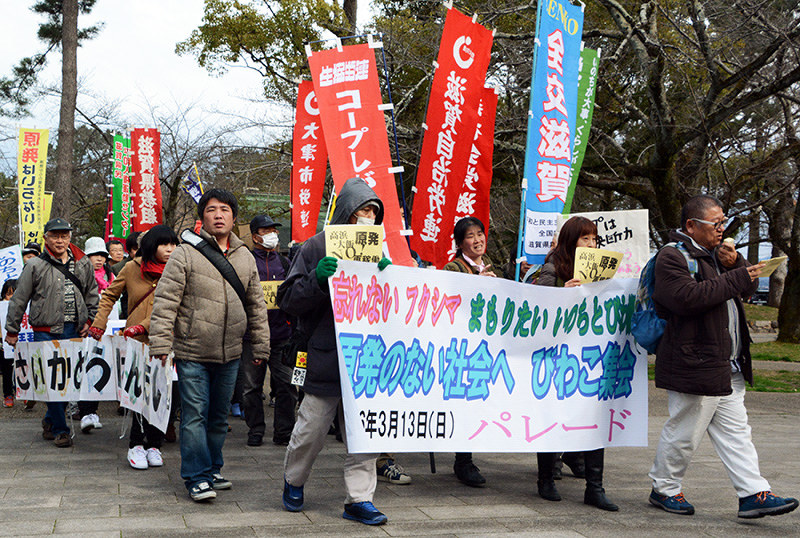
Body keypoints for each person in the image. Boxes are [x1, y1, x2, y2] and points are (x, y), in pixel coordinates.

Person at [648, 194, 798, 519]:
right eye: (715, 224)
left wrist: (737, 265)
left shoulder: (717, 255)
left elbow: (741, 290)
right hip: (694, 361)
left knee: (737, 433)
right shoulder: (672, 257)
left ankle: (753, 493)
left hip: (725, 363)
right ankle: (664, 488)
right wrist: (737, 275)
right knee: (685, 431)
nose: (722, 229)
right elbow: (687, 298)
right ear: (691, 225)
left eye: (723, 222)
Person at [278, 177, 391, 526]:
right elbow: (288, 300)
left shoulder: (380, 251)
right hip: (326, 354)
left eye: (373, 211)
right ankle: (294, 480)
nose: (368, 217)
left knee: (365, 435)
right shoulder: (315, 247)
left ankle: (359, 499)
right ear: (346, 213)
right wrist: (317, 278)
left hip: (366, 359)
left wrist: (390, 279)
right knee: (311, 429)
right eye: (362, 210)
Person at [148, 189, 270, 502]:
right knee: (194, 416)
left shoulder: (245, 256)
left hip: (230, 352)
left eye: (225, 209)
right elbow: (165, 301)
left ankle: (213, 467)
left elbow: (256, 305)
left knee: (219, 417)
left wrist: (260, 347)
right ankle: (196, 476)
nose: (218, 215)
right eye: (212, 209)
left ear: (234, 217)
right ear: (202, 217)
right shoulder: (185, 253)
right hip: (192, 352)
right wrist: (161, 343)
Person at [533, 216, 618, 511]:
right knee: (552, 415)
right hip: (557, 357)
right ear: (572, 241)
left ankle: (595, 487)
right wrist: (563, 296)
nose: (592, 245)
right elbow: (536, 308)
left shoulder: (601, 269)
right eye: (585, 239)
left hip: (591, 356)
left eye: (594, 239)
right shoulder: (552, 267)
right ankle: (546, 479)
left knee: (594, 416)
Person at [89, 225, 179, 470]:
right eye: (164, 244)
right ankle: (136, 444)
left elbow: (177, 306)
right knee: (138, 393)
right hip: (136, 344)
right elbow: (109, 295)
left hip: (167, 341)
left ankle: (155, 444)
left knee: (163, 394)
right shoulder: (131, 268)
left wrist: (144, 325)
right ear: (151, 246)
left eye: (173, 244)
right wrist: (99, 323)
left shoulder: (178, 269)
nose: (170, 249)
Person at [4, 217, 99, 448]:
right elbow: (19, 299)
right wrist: (12, 329)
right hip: (44, 331)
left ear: (70, 237)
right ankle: (61, 430)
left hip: (73, 329)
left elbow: (92, 293)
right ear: (46, 238)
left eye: (64, 235)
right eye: (55, 235)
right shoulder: (35, 265)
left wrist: (90, 319)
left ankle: (49, 420)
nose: (60, 240)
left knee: (69, 382)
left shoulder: (82, 263)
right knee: (53, 382)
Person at [442, 216, 496, 488]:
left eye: (480, 234)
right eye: (470, 236)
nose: (478, 240)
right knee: (463, 400)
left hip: (484, 346)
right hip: (460, 347)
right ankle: (463, 460)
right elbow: (450, 301)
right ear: (460, 242)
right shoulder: (453, 267)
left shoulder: (490, 265)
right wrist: (478, 283)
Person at [240, 214, 297, 447]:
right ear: (255, 236)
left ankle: (284, 431)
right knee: (251, 388)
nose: (273, 235)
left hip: (282, 336)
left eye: (274, 230)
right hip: (252, 337)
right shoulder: (245, 261)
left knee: (287, 385)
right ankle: (255, 429)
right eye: (267, 231)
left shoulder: (284, 263)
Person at [1, 279, 16, 407]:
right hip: (4, 345)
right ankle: (8, 395)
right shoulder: (1, 308)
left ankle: (25, 394)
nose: (11, 298)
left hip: (21, 342)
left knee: (24, 369)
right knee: (7, 371)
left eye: (14, 294)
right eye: (8, 294)